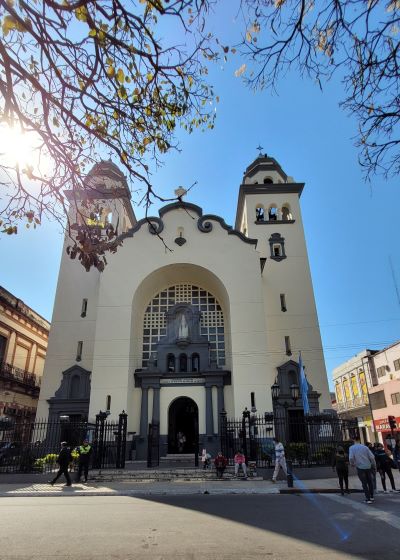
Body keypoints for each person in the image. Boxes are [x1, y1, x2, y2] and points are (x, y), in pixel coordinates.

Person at [349, 436, 376, 504]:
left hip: (360, 467)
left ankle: (368, 498)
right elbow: (372, 457)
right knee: (370, 482)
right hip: (368, 466)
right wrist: (373, 465)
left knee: (364, 483)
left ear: (354, 440)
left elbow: (351, 458)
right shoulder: (365, 447)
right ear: (359, 440)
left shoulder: (352, 448)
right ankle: (372, 496)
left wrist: (352, 464)